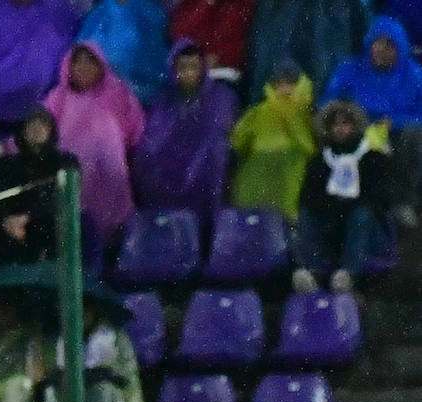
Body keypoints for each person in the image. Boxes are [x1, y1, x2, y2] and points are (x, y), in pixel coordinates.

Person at [44, 42, 145, 250]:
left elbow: (137, 133)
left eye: (90, 61)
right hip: (70, 179)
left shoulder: (119, 93)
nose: (83, 67)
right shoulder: (57, 97)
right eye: (77, 61)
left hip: (109, 181)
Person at [293, 99, 397, 293]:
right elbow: (308, 199)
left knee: (361, 214)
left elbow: (380, 200)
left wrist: (345, 206)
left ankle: (349, 275)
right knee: (306, 216)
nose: (340, 129)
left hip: (368, 234)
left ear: (355, 126)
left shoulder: (373, 158)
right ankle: (312, 272)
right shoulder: (319, 162)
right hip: (333, 231)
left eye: (345, 124)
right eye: (335, 124)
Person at [131, 42, 239, 228]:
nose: (188, 73)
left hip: (206, 181)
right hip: (167, 180)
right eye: (183, 67)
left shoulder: (221, 98)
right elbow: (152, 141)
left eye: (194, 67)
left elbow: (218, 138)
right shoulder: (162, 100)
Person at [324, 15, 422, 213]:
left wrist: (394, 122)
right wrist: (353, 117)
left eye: (389, 45)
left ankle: (403, 203)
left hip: (396, 136)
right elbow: (328, 102)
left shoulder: (415, 75)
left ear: (400, 49)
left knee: (414, 137)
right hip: (356, 132)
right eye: (377, 42)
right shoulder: (349, 69)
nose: (381, 49)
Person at [0, 106, 78, 265]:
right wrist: (6, 220)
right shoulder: (5, 165)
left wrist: (28, 217)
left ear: (51, 131)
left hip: (48, 232)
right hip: (8, 233)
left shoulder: (65, 163)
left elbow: (61, 199)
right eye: (31, 125)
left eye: (43, 125)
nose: (37, 129)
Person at [229, 61, 316, 220]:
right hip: (257, 180)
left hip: (294, 179)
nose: (285, 89)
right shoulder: (257, 112)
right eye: (280, 84)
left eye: (290, 83)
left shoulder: (310, 113)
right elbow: (239, 142)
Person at [76, 0, 171, 105]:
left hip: (137, 100)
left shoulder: (151, 14)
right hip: (96, 100)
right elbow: (80, 54)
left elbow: (157, 65)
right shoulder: (100, 12)